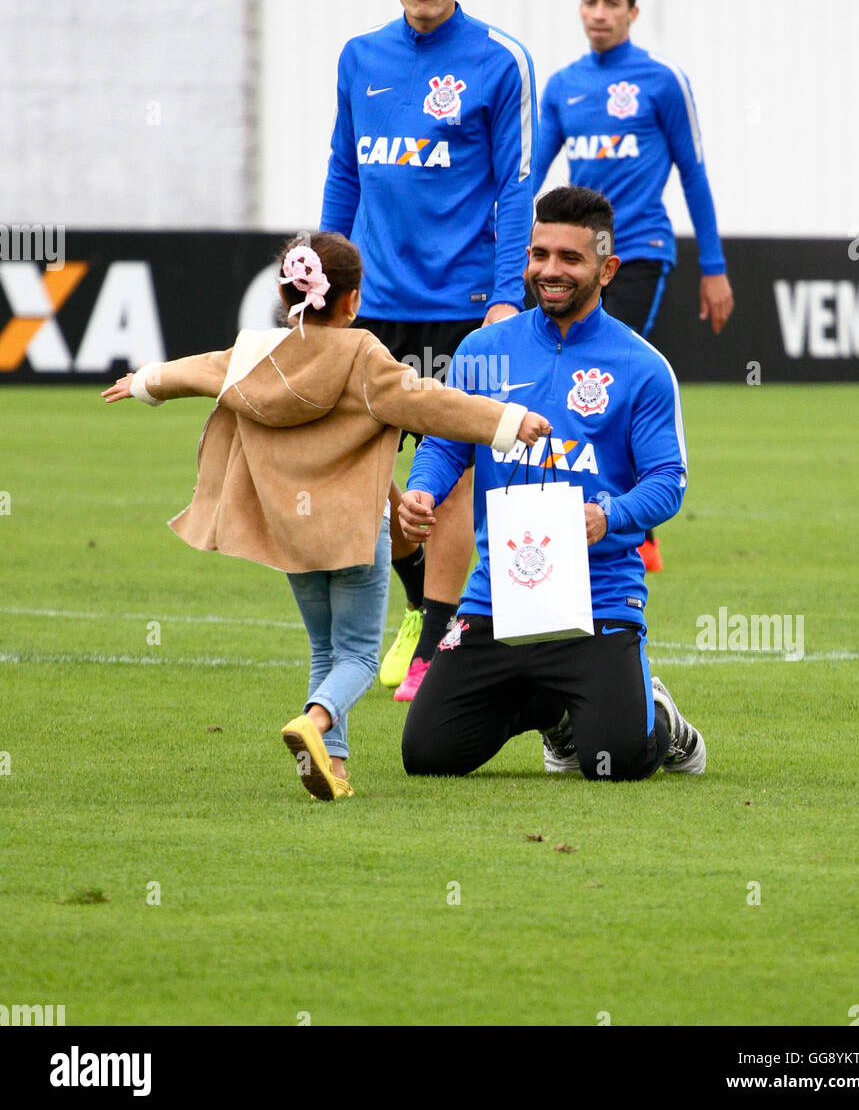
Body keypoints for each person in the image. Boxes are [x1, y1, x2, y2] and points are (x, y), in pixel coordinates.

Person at [102, 232, 550, 801]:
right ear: (353, 300)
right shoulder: (363, 355)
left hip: (288, 531)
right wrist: (509, 420)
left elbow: (199, 371)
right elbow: (433, 402)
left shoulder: (255, 355)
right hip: (355, 532)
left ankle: (330, 766)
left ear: (288, 293)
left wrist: (145, 381)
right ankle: (314, 723)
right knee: (360, 653)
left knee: (324, 649)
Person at [398, 187, 705, 782]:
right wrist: (423, 493)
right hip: (499, 595)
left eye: (570, 258)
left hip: (601, 600)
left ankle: (659, 717)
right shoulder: (483, 351)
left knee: (614, 762)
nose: (550, 270)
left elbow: (668, 481)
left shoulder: (641, 366)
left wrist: (608, 516)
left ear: (607, 268)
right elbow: (445, 444)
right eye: (539, 254)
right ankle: (558, 712)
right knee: (428, 754)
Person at [320, 0, 537, 700]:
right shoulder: (358, 58)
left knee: (447, 479)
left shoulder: (498, 60)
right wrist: (322, 283)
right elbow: (345, 169)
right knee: (367, 479)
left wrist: (504, 298)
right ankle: (417, 606)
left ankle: (437, 633)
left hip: (464, 304)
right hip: (373, 305)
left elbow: (516, 187)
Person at [534, 0, 734, 570]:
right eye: (591, 4)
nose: (600, 13)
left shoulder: (662, 81)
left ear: (632, 12)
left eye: (612, 4)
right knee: (561, 379)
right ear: (580, 10)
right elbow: (531, 176)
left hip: (636, 252)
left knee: (607, 375)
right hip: (571, 257)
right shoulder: (562, 85)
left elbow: (694, 174)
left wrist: (715, 266)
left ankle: (632, 522)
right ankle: (565, 512)